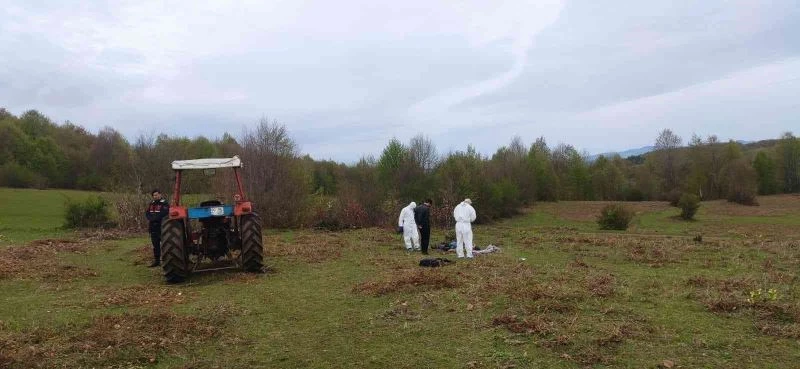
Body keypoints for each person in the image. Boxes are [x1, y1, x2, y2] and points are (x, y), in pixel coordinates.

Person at [145, 189, 169, 267]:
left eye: (157, 195)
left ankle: (167, 261)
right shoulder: (151, 204)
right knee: (155, 245)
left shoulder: (164, 203)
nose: (155, 196)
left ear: (160, 195)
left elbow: (164, 213)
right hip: (153, 227)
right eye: (154, 195)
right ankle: (157, 261)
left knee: (166, 245)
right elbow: (147, 213)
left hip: (162, 227)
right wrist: (151, 218)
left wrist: (155, 218)